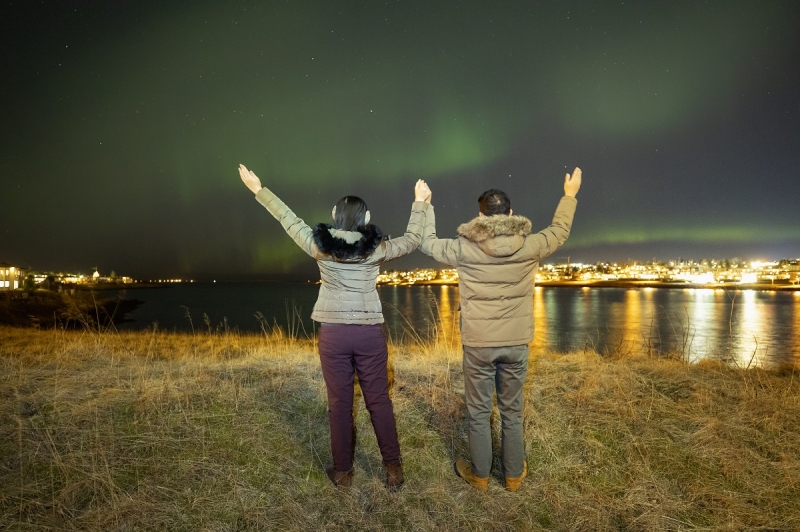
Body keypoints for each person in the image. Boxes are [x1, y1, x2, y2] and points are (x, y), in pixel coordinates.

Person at [239, 164, 431, 490]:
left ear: (333, 215)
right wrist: (419, 203)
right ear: (367, 220)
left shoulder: (320, 246)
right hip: (369, 332)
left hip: (334, 334)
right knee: (379, 401)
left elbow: (289, 219)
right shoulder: (377, 249)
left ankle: (342, 473)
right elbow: (413, 239)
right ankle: (393, 471)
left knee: (339, 404)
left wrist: (259, 190)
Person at [419, 168, 582, 492]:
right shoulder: (530, 244)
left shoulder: (464, 248)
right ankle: (512, 476)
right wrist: (569, 195)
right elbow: (560, 230)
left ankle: (480, 475)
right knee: (512, 410)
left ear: (480, 216)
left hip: (478, 344)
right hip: (516, 343)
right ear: (510, 213)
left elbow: (426, 243)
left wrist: (425, 204)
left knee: (478, 412)